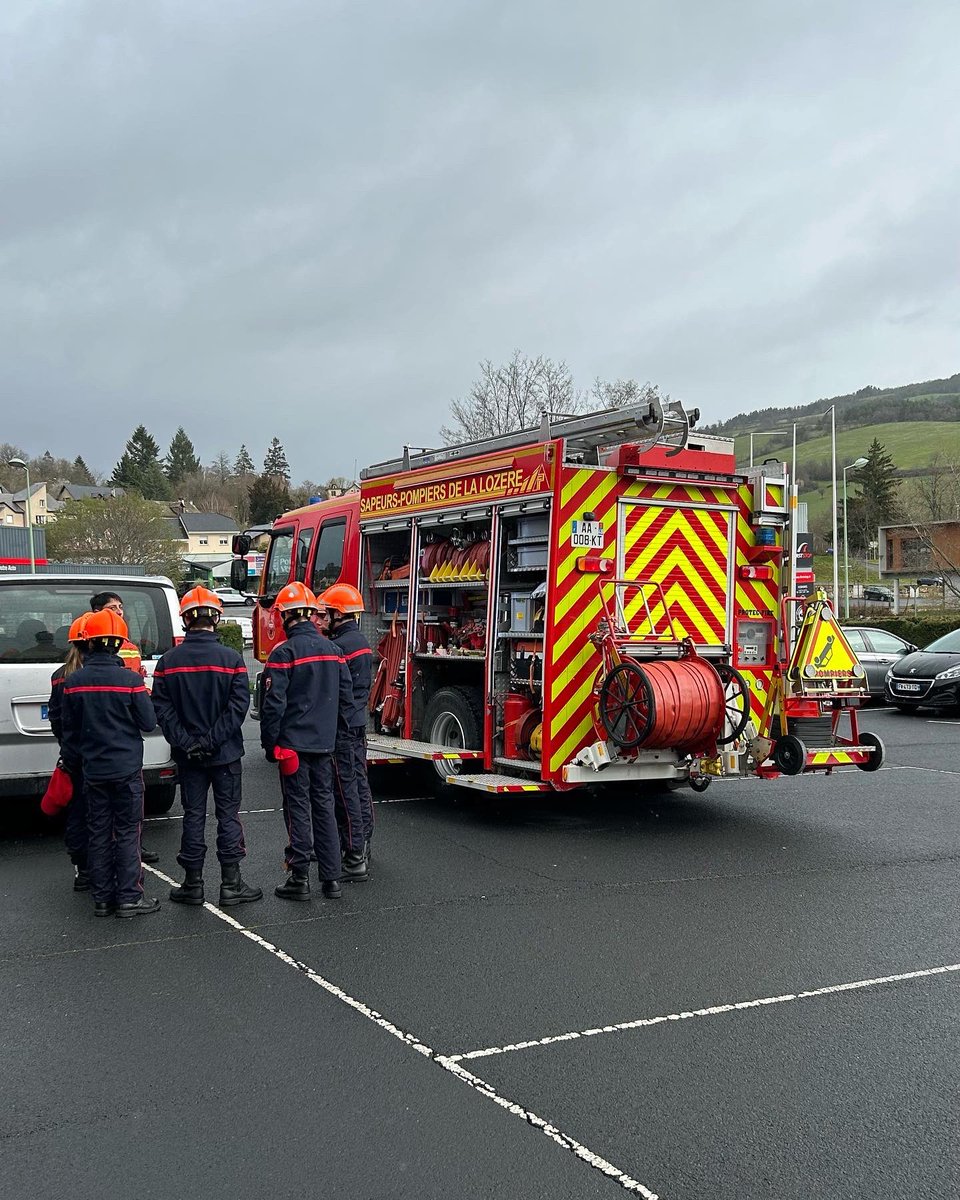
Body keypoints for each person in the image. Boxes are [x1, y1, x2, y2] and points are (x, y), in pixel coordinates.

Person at [152, 587, 261, 907]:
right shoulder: (231, 659)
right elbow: (238, 708)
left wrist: (188, 743)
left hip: (189, 757)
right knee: (228, 816)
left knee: (193, 816)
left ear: (185, 619)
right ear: (216, 618)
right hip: (224, 754)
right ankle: (231, 884)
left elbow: (162, 709)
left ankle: (193, 884)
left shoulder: (168, 661)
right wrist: (212, 741)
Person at [61, 609, 160, 918]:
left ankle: (102, 898)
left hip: (93, 770)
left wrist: (74, 763)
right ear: (119, 644)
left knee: (99, 832)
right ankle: (130, 897)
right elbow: (148, 723)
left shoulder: (73, 682)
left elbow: (69, 732)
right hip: (126, 769)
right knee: (128, 832)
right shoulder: (130, 681)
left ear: (89, 642)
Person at [260, 581, 354, 902]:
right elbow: (345, 702)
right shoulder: (334, 651)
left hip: (292, 748)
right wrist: (337, 739)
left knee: (298, 807)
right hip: (324, 746)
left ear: (285, 616)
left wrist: (270, 745)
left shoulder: (283, 653)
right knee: (324, 807)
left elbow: (273, 706)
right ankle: (332, 879)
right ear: (312, 614)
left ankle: (299, 877)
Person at [89, 590, 159, 864]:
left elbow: (137, 676)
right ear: (97, 613)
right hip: (110, 726)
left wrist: (142, 693)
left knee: (128, 806)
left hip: (126, 725)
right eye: (112, 608)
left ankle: (132, 849)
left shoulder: (128, 645)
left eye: (120, 607)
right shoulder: (91, 642)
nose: (119, 612)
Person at [318, 584, 374, 873]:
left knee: (344, 789)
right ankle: (363, 843)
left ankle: (353, 853)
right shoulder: (360, 641)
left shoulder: (339, 647)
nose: (322, 619)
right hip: (357, 723)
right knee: (359, 785)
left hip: (342, 727)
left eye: (325, 614)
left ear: (338, 614)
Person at [48, 613, 93, 891]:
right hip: (103, 756)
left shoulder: (60, 676)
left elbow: (56, 717)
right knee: (106, 815)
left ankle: (83, 870)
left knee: (77, 813)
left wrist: (66, 745)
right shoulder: (105, 673)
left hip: (74, 756)